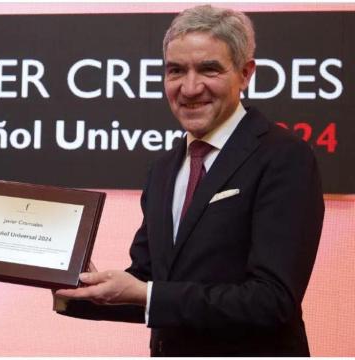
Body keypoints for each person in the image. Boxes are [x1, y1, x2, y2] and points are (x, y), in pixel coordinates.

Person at [55, 5, 324, 356]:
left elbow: (272, 300)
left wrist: (147, 294)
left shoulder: (284, 157)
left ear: (245, 74)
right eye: (176, 71)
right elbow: (148, 280)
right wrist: (75, 289)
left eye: (208, 69)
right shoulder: (164, 169)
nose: (190, 87)